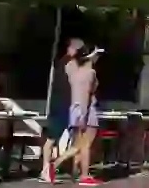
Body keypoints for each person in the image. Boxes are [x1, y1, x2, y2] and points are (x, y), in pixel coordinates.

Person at [52, 45, 103, 186]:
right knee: (85, 144)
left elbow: (69, 64)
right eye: (96, 55)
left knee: (78, 144)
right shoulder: (90, 73)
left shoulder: (73, 71)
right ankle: (82, 174)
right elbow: (86, 95)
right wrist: (83, 115)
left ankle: (74, 170)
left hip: (74, 109)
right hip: (86, 110)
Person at [41, 37, 83, 184]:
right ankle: (50, 167)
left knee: (53, 138)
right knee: (57, 138)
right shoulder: (70, 63)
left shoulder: (62, 62)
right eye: (78, 49)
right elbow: (77, 82)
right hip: (64, 105)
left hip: (60, 104)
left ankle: (48, 167)